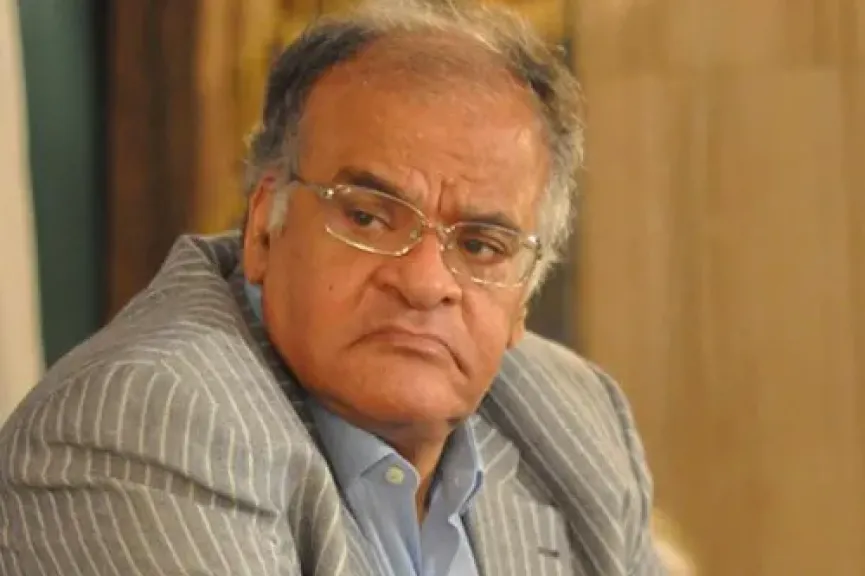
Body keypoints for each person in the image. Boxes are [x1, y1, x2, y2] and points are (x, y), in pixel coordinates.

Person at [0, 0, 664, 574]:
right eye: (368, 217)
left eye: (479, 246)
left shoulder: (576, 419)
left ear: (522, 298)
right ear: (263, 228)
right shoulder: (148, 424)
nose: (424, 282)